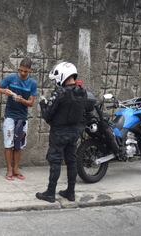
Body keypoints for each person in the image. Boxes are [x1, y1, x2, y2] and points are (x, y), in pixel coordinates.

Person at [36, 62, 89, 203]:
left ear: (62, 76)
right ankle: (70, 192)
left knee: (55, 161)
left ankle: (50, 193)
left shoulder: (60, 93)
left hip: (59, 133)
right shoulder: (82, 92)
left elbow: (48, 115)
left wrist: (42, 104)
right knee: (71, 161)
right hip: (74, 132)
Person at [0, 58, 37, 180]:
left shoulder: (32, 83)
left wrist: (22, 100)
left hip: (22, 118)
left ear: (29, 71)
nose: (22, 73)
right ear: (19, 68)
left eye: (25, 71)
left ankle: (16, 168)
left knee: (19, 145)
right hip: (10, 116)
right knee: (8, 144)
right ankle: (9, 170)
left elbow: (31, 103)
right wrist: (4, 91)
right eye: (21, 70)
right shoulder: (11, 78)